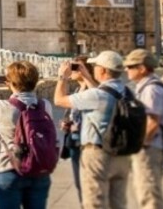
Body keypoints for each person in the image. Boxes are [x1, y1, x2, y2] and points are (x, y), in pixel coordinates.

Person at [0, 61, 53, 208]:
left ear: (9, 83)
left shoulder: (3, 107)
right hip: (39, 169)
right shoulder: (45, 105)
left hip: (8, 169)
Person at [54, 50, 131, 209]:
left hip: (99, 154)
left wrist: (62, 77)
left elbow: (58, 100)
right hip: (122, 154)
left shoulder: (97, 95)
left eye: (95, 66)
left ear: (102, 70)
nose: (93, 68)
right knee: (117, 203)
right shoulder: (127, 91)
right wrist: (88, 77)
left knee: (94, 203)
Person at [124, 49, 163, 209]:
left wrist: (140, 145)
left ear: (142, 68)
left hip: (149, 149)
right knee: (144, 193)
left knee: (149, 195)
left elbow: (153, 122)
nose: (126, 70)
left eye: (130, 66)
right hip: (149, 147)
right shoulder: (147, 87)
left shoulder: (151, 90)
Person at [59, 56, 98, 204]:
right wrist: (66, 122)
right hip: (74, 141)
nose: (72, 70)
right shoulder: (77, 88)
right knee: (80, 184)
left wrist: (86, 76)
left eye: (75, 67)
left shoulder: (92, 87)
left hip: (89, 142)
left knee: (89, 185)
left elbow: (99, 96)